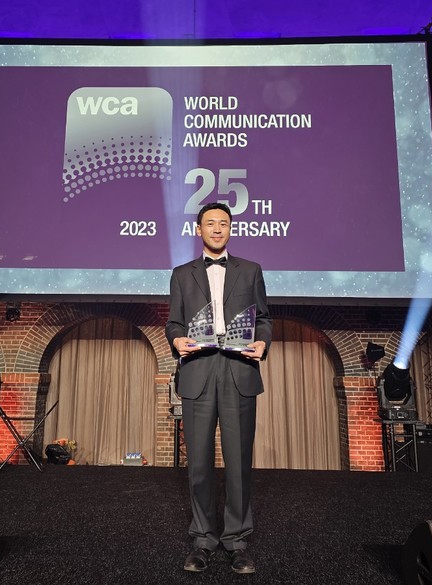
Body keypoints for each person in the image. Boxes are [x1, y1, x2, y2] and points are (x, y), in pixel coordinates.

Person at [166, 202, 272, 574]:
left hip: (238, 369)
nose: (216, 228)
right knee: (198, 463)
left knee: (239, 463)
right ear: (199, 230)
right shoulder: (181, 274)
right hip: (198, 369)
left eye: (223, 223)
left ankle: (237, 541)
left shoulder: (251, 270)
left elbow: (265, 319)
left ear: (230, 229)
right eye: (210, 223)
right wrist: (177, 340)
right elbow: (174, 323)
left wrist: (262, 342)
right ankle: (203, 539)